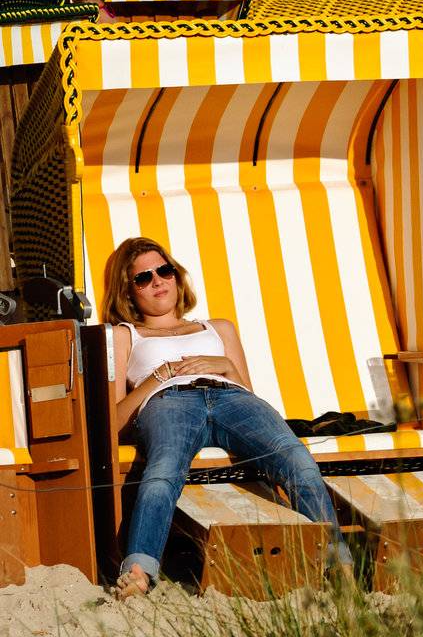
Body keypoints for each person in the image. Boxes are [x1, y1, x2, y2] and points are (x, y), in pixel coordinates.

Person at [106, 237, 351, 598]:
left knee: (296, 459)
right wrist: (159, 377)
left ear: (177, 276)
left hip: (230, 397)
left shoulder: (218, 328)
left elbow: (249, 390)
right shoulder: (125, 334)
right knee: (162, 472)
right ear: (128, 292)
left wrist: (226, 366)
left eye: (164, 271)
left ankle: (338, 565)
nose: (158, 281)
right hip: (168, 401)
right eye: (143, 278)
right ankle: (139, 574)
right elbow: (115, 419)